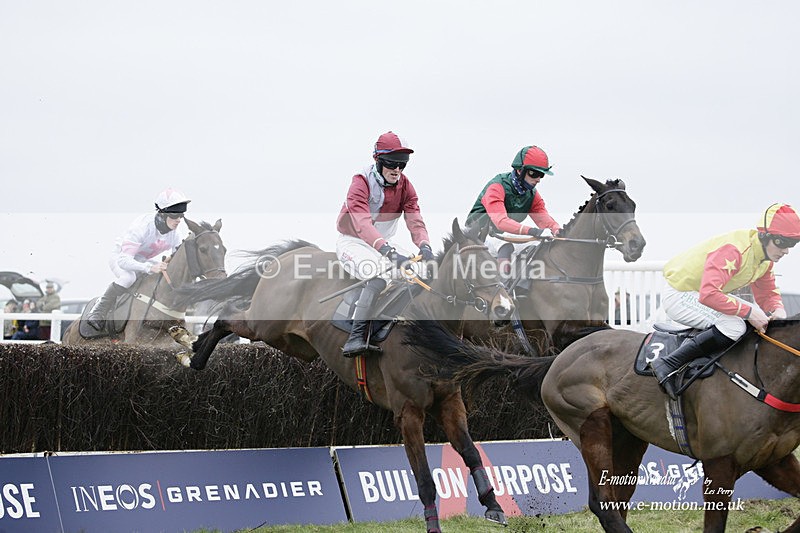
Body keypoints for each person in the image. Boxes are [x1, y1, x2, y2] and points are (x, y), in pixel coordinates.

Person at [649, 203, 800, 399]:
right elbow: (709, 294)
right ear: (765, 236)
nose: (786, 251)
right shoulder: (735, 250)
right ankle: (668, 363)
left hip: (699, 294)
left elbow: (768, 294)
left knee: (752, 314)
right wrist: (748, 312)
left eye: (792, 244)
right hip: (680, 293)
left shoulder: (764, 259)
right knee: (735, 325)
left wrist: (778, 311)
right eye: (782, 242)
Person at [336, 131, 433, 357]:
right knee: (378, 275)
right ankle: (356, 337)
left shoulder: (406, 186)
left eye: (402, 164)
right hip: (353, 242)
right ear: (377, 160)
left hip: (382, 244)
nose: (397, 169)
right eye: (391, 163)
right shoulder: (360, 182)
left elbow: (416, 221)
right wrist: (386, 251)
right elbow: (362, 224)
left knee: (422, 272)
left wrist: (425, 246)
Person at [86, 188, 190, 331]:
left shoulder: (175, 233)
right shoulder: (141, 228)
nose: (178, 220)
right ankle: (98, 311)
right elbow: (123, 261)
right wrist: (149, 268)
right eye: (174, 215)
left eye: (181, 216)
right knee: (128, 278)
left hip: (141, 259)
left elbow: (177, 259)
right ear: (162, 214)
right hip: (120, 257)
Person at [466, 145, 561, 276]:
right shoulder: (497, 187)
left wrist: (558, 230)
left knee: (536, 245)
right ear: (519, 170)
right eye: (534, 173)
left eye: (542, 175)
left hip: (503, 235)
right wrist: (533, 231)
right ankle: (502, 286)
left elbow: (544, 219)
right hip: (478, 237)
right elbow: (501, 222)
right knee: (505, 244)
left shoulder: (532, 194)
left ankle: (523, 290)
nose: (538, 179)